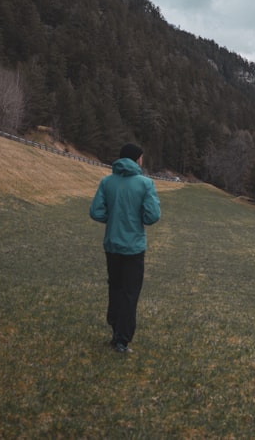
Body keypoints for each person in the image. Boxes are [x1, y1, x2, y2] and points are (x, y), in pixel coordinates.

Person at [90, 143, 161, 353]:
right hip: (133, 248)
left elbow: (96, 212)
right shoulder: (145, 184)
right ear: (137, 159)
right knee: (130, 293)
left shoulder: (107, 182)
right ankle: (122, 339)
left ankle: (114, 326)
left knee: (115, 287)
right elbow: (152, 216)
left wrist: (113, 219)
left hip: (112, 245)